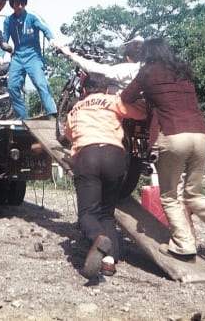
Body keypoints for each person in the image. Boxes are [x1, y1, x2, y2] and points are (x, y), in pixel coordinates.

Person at [121, 37, 205, 262]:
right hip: (200, 137)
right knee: (193, 194)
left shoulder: (148, 72)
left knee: (169, 196)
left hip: (173, 135)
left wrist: (146, 96)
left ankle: (184, 245)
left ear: (148, 54)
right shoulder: (184, 71)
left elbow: (126, 97)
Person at [65, 73, 147, 279]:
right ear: (106, 89)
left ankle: (97, 238)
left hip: (88, 156)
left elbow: (68, 134)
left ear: (84, 90)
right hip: (114, 156)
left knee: (87, 214)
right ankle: (109, 262)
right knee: (107, 213)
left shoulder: (76, 107)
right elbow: (139, 113)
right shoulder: (113, 100)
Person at [0, 0, 57, 120]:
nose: (19, 7)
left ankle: (52, 112)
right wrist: (1, 56)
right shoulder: (8, 20)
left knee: (40, 83)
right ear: (12, 5)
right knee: (12, 86)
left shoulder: (32, 17)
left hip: (33, 55)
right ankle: (22, 116)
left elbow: (45, 28)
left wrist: (51, 39)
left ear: (25, 4)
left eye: (22, 4)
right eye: (17, 4)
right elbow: (4, 38)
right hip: (17, 56)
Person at [59, 39, 144, 88]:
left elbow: (96, 68)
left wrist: (70, 54)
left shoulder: (129, 69)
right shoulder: (152, 69)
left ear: (128, 59)